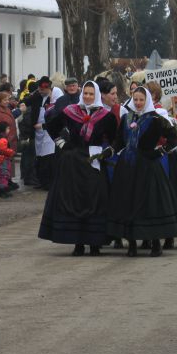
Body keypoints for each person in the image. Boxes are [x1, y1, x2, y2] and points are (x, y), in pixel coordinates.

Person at [38, 81, 118, 255]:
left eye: (91, 94)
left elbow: (115, 139)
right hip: (73, 161)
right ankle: (78, 243)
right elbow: (51, 126)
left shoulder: (106, 116)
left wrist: (107, 153)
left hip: (93, 161)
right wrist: (62, 145)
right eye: (86, 93)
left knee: (95, 199)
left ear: (96, 95)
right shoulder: (70, 111)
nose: (88, 97)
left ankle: (95, 243)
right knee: (74, 200)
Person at [107, 87, 177, 257]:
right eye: (135, 99)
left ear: (147, 100)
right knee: (128, 202)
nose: (138, 103)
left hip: (148, 165)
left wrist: (160, 151)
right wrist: (110, 151)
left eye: (141, 99)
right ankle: (132, 244)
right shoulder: (126, 117)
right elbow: (120, 141)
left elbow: (173, 138)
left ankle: (155, 242)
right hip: (127, 166)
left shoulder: (155, 119)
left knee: (150, 204)